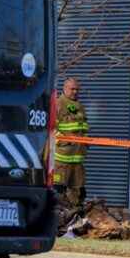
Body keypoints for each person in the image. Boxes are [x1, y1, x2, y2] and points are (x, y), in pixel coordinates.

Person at [55, 77, 89, 208]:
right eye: (72, 89)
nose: (75, 92)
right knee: (59, 192)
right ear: (64, 88)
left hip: (78, 158)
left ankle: (76, 218)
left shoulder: (80, 106)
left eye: (77, 89)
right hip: (62, 158)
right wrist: (63, 141)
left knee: (78, 192)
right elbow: (51, 128)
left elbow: (84, 126)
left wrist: (86, 140)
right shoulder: (58, 104)